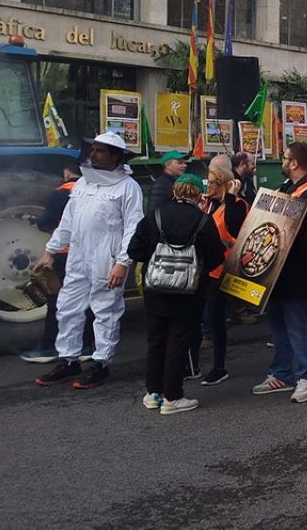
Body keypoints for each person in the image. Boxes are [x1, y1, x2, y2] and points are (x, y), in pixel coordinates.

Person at [33, 133, 144, 389]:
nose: (93, 154)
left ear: (116, 156)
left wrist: (123, 262)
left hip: (107, 257)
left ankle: (101, 363)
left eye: (100, 151)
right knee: (67, 307)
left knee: (105, 310)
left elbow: (133, 227)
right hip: (78, 254)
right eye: (93, 149)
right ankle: (68, 360)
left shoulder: (128, 187)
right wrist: (50, 251)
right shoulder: (83, 183)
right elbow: (67, 222)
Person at [127, 174, 225, 415]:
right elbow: (216, 258)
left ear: (174, 192)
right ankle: (172, 396)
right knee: (178, 342)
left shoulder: (155, 217)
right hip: (189, 293)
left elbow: (134, 251)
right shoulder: (203, 221)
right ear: (198, 195)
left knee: (155, 341)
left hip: (155, 290)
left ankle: (153, 393)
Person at [250, 142, 307, 404]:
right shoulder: (287, 188)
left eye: (284, 158)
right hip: (278, 268)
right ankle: (282, 373)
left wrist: (280, 246)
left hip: (300, 267)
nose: (281, 162)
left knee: (299, 323)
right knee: (279, 321)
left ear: (294, 163)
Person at [20, 164, 97, 363]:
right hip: (90, 253)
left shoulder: (62, 193)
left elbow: (46, 222)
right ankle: (86, 346)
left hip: (65, 254)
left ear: (66, 171)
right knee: (87, 299)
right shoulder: (95, 189)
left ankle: (48, 347)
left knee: (58, 301)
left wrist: (50, 247)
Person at [189, 165, 248, 386]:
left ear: (223, 184)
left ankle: (219, 366)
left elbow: (233, 227)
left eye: (212, 182)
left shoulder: (237, 204)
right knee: (198, 317)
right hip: (204, 268)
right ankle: (193, 365)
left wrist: (231, 197)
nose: (207, 186)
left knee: (216, 319)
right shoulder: (209, 205)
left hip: (222, 269)